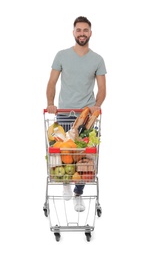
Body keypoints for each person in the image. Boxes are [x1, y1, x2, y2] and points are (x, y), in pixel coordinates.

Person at [46, 16, 107, 212]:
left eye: (85, 30)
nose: (82, 33)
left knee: (85, 158)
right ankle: (65, 183)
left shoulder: (97, 59)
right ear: (74, 33)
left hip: (86, 116)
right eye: (78, 30)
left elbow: (102, 88)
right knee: (64, 153)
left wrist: (97, 105)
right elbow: (52, 82)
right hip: (64, 113)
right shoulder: (62, 55)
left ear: (90, 33)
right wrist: (50, 103)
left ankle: (78, 193)